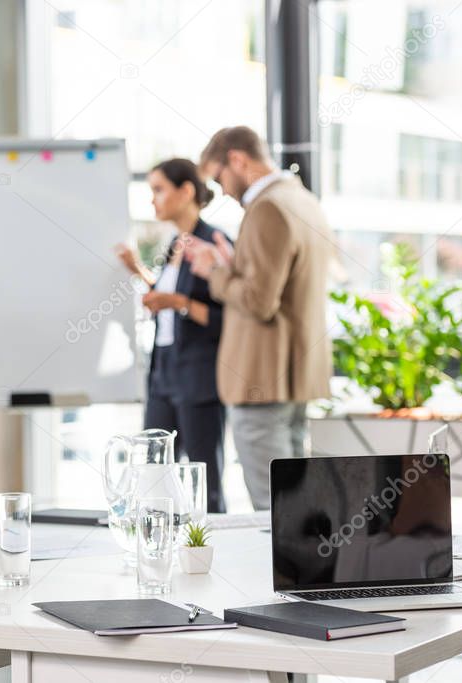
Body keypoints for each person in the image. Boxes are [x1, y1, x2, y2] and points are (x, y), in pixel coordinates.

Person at [185, 126, 332, 511]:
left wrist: (213, 273)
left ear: (237, 159)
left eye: (218, 178)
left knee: (274, 511)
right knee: (297, 504)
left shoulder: (266, 207)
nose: (222, 190)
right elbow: (282, 286)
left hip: (261, 378)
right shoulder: (302, 200)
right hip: (294, 375)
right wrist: (233, 266)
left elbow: (258, 301)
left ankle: (284, 572)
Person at [116, 158, 230, 513]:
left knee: (203, 478)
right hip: (163, 371)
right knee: (153, 472)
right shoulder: (174, 245)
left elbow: (228, 317)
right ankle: (156, 550)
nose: (153, 200)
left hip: (199, 376)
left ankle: (210, 554)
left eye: (159, 189)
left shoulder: (215, 242)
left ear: (186, 191)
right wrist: (138, 272)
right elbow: (169, 297)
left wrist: (178, 302)